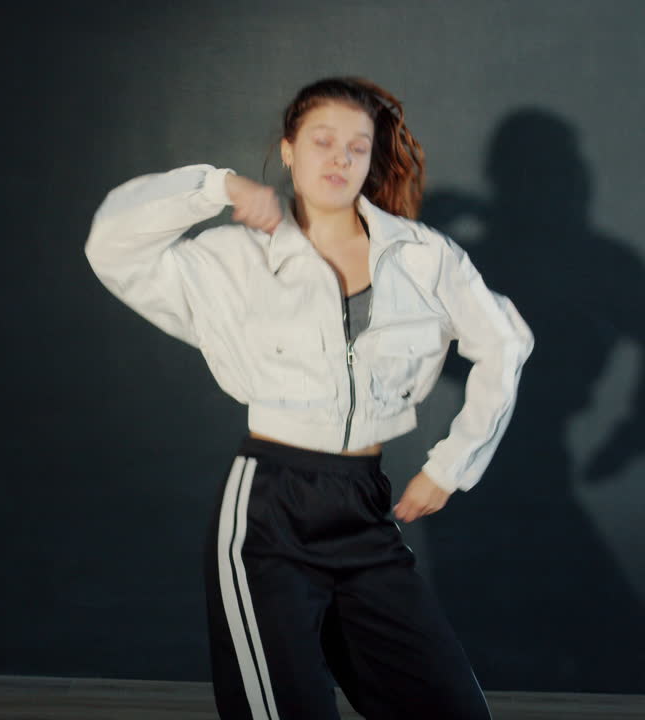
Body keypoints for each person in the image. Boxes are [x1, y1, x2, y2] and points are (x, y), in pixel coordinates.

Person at [84, 76, 533, 720]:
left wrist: (451, 466)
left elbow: (505, 343)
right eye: (322, 141)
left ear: (372, 158)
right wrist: (217, 187)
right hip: (269, 508)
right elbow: (111, 246)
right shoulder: (232, 257)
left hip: (365, 507)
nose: (340, 159)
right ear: (289, 150)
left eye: (357, 146)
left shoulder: (423, 256)